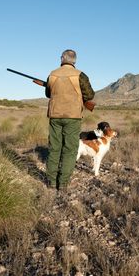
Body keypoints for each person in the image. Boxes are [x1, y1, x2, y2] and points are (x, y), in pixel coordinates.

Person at [45, 49, 95, 192]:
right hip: (73, 116)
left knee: (54, 148)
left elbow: (49, 93)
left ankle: (51, 183)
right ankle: (63, 183)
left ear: (62, 59)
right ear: (75, 60)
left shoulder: (52, 74)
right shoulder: (80, 75)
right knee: (70, 149)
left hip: (55, 115)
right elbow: (90, 95)